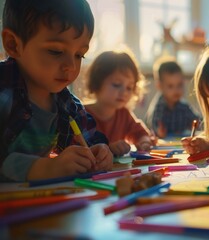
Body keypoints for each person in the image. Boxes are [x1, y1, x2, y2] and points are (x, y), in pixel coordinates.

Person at [0, 0, 113, 182]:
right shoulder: (4, 91)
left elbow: (88, 139)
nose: (71, 66)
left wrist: (99, 152)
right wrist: (44, 168)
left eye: (79, 55)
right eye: (55, 51)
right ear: (13, 44)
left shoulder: (67, 103)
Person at [85, 50, 155, 156]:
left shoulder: (123, 114)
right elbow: (79, 149)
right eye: (117, 84)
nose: (124, 92)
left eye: (129, 87)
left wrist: (144, 142)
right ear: (97, 82)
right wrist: (108, 149)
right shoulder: (80, 114)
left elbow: (141, 134)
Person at [145, 58, 200, 138]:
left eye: (179, 85)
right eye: (170, 86)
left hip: (178, 143)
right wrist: (158, 131)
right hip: (162, 144)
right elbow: (153, 126)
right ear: (159, 86)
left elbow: (197, 121)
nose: (176, 90)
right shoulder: (158, 106)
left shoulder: (183, 106)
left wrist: (196, 124)